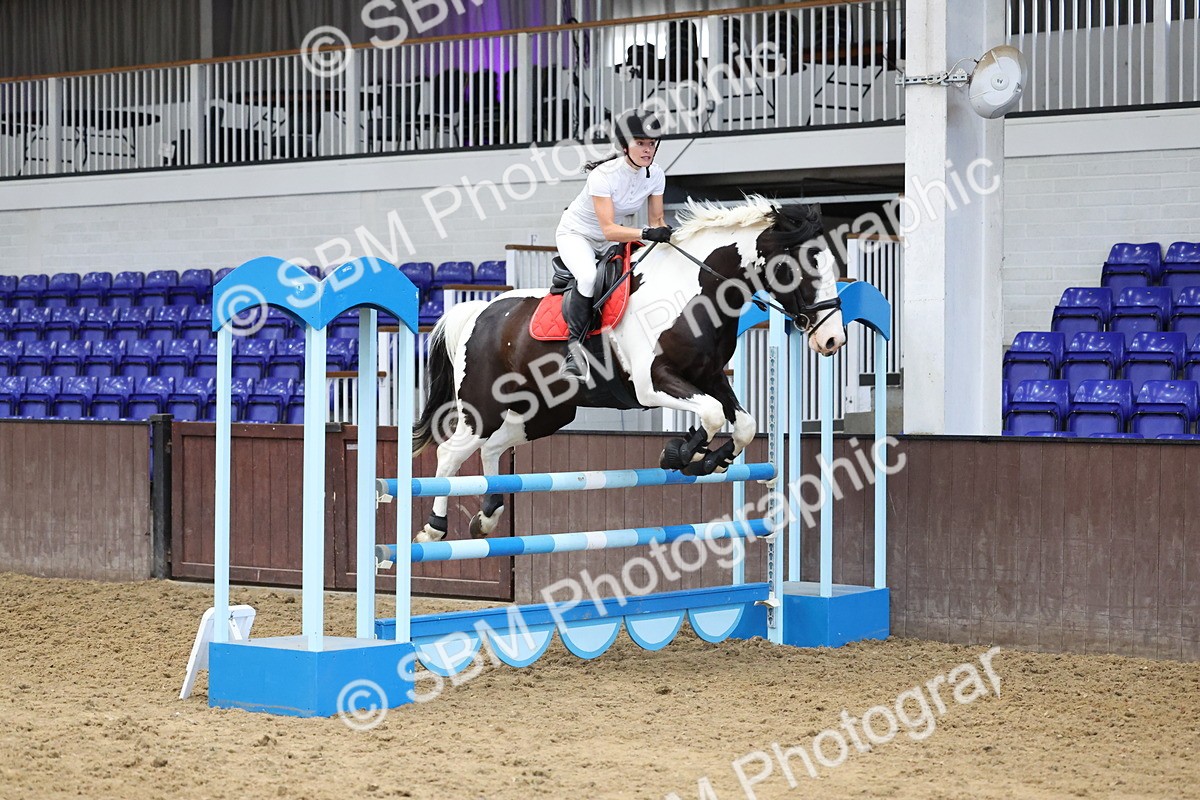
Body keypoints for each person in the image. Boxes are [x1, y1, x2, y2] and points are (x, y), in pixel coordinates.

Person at [554, 109, 675, 381]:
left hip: (613, 238)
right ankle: (574, 352)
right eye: (640, 143)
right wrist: (647, 232)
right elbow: (609, 229)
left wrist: (672, 236)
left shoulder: (656, 174)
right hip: (577, 235)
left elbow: (657, 221)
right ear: (624, 146)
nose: (647, 150)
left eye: (651, 144)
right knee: (588, 277)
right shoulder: (603, 175)